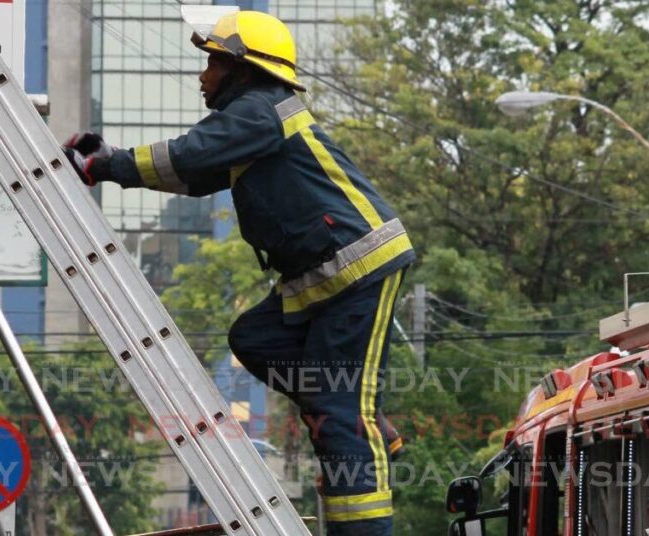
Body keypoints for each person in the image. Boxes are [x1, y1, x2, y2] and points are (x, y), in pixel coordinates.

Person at [63, 10, 413, 535]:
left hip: (357, 269)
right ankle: (356, 411)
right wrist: (112, 166)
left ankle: (358, 479)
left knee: (339, 420)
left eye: (212, 63)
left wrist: (109, 162)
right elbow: (194, 173)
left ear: (243, 70)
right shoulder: (249, 122)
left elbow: (187, 155)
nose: (202, 76)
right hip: (322, 278)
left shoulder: (260, 109)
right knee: (255, 337)